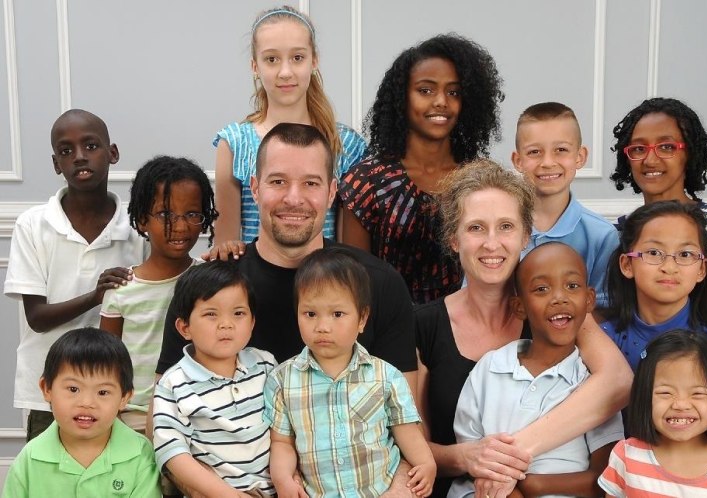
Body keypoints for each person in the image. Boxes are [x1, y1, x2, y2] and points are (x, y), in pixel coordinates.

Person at [155, 123, 416, 493]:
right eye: (278, 182)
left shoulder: (378, 283)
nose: (294, 198)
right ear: (255, 188)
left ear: (331, 193)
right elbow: (165, 418)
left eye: (310, 183)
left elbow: (407, 430)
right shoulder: (209, 289)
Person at [415, 159, 632, 498]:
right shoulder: (422, 325)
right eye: (475, 228)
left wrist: (513, 456)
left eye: (505, 226)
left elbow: (618, 382)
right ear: (454, 239)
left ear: (525, 236)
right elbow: (411, 447)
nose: (492, 243)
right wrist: (468, 457)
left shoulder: (555, 314)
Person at [610, 97, 707, 440]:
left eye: (666, 146)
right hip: (634, 407)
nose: (651, 159)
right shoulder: (621, 234)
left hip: (697, 400)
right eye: (638, 149)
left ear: (688, 152)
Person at [3, 109, 148, 441]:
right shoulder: (33, 224)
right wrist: (95, 297)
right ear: (57, 164)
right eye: (66, 151)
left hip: (115, 388)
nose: (80, 157)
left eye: (91, 145)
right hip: (49, 388)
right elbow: (37, 317)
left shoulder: (137, 226)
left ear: (112, 153)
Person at [449, 242, 623, 498]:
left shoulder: (591, 386)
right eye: (541, 289)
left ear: (589, 300)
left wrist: (535, 485)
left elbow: (606, 478)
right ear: (519, 307)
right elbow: (473, 458)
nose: (559, 297)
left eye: (572, 286)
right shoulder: (492, 368)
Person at [340, 33, 504, 304]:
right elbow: (354, 279)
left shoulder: (482, 179)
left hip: (469, 327)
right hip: (388, 330)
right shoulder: (366, 182)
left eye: (453, 92)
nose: (441, 101)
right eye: (425, 90)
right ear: (401, 98)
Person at [265, 247, 436, 497]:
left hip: (382, 490)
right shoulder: (282, 381)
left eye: (337, 314)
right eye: (310, 314)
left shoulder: (385, 376)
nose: (323, 326)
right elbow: (282, 442)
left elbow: (406, 430)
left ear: (362, 319)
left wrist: (426, 463)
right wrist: (282, 479)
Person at [602, 200, 707, 451]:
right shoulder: (604, 340)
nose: (669, 267)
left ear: (702, 269)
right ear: (627, 264)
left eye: (685, 255)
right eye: (654, 253)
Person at [214, 5, 365, 244]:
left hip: (323, 278)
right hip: (254, 278)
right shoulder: (234, 143)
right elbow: (226, 247)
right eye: (271, 59)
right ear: (255, 66)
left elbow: (348, 250)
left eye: (297, 58)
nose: (285, 72)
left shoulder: (345, 144)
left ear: (314, 60)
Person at [99, 156, 216, 433]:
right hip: (133, 419)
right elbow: (106, 362)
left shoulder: (208, 279)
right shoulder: (122, 288)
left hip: (196, 415)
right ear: (141, 221)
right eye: (165, 214)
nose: (180, 226)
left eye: (191, 214)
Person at [153, 261, 276, 497]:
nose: (226, 324)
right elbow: (172, 452)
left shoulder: (266, 365)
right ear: (184, 327)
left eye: (238, 313)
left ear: (252, 322)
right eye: (211, 314)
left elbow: (287, 428)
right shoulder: (174, 383)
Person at [598, 329, 707, 496]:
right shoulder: (626, 456)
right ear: (644, 396)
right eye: (665, 393)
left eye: (698, 393)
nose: (681, 405)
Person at [2, 327, 160, 497]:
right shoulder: (30, 458)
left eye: (102, 392)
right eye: (73, 389)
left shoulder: (140, 453)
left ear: (124, 397)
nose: (87, 403)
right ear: (46, 388)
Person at [511, 102, 618, 308]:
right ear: (518, 161)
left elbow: (604, 309)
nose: (548, 162)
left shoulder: (601, 235)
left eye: (561, 150)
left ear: (580, 157)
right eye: (534, 152)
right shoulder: (499, 227)